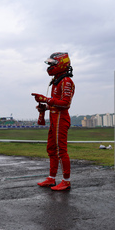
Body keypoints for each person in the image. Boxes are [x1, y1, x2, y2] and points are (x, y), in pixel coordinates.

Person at [32, 52, 75, 191]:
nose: (50, 66)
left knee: (61, 150)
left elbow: (65, 103)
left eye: (52, 64)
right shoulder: (57, 81)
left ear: (61, 64)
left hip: (61, 119)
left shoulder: (66, 81)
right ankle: (51, 178)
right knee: (51, 149)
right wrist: (45, 107)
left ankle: (66, 181)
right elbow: (56, 104)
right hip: (54, 119)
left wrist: (46, 100)